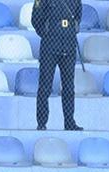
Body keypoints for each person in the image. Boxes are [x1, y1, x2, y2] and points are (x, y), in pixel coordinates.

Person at [31, 0, 83, 131]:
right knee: (45, 87)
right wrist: (47, 32)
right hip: (49, 48)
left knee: (69, 88)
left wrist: (69, 31)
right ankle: (42, 123)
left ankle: (69, 122)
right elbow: (35, 19)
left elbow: (78, 17)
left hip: (69, 47)